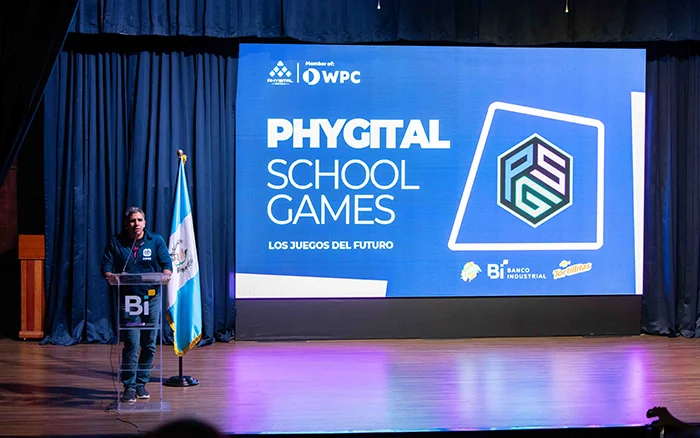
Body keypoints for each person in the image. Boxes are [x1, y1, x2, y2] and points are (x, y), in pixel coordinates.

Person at [101, 206, 172, 403]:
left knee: (149, 343)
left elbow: (167, 265)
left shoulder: (155, 240)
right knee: (132, 342)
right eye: (132, 221)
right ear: (126, 224)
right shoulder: (116, 242)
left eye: (140, 220)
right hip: (129, 300)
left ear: (144, 222)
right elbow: (106, 266)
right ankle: (129, 387)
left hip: (151, 298)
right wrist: (110, 276)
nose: (136, 224)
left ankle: (141, 383)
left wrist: (166, 276)